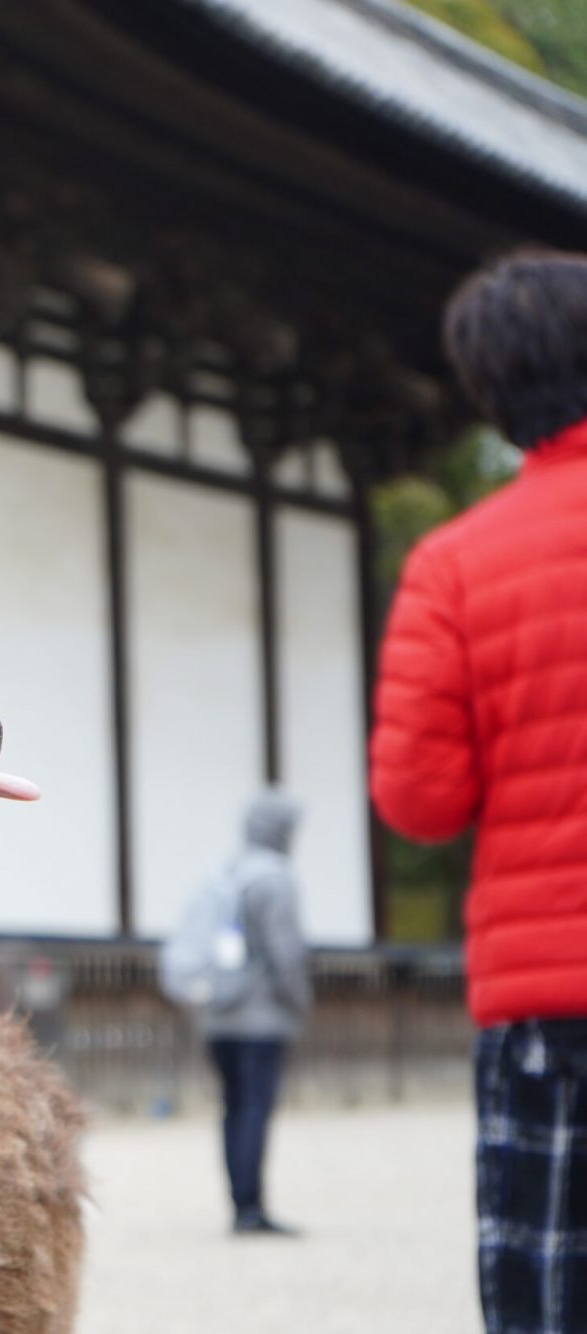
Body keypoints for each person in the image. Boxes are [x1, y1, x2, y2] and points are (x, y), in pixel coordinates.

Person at [371, 249, 587, 1332]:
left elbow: (418, 796)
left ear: (489, 393)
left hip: (546, 990)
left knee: (546, 1289)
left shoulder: (455, 562)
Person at [168, 789, 312, 1237]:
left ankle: (240, 1202)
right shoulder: (274, 878)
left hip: (216, 1012)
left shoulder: (225, 872)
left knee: (233, 1108)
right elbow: (285, 952)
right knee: (254, 1107)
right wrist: (299, 1001)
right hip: (260, 1017)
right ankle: (252, 1208)